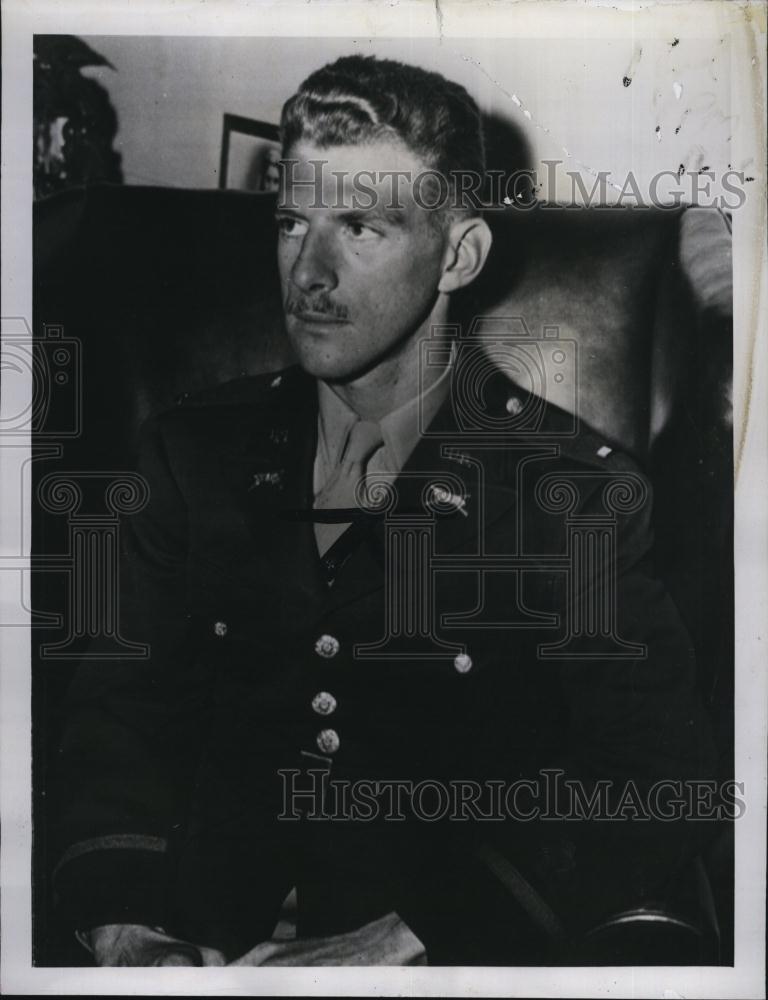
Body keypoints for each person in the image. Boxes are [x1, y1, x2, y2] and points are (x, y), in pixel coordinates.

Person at [53, 54, 717, 967]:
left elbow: (654, 776)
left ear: (459, 254)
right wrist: (126, 930)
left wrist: (407, 942)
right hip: (194, 937)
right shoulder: (191, 453)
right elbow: (115, 717)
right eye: (293, 222)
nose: (309, 276)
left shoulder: (573, 498)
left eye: (361, 227)